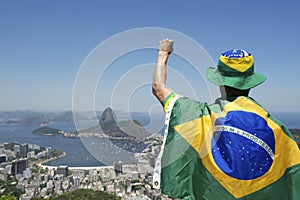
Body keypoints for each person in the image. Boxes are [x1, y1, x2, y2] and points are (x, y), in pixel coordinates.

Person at [152, 39, 300, 199]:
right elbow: (293, 177)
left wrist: (163, 54)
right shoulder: (278, 130)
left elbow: (158, 89)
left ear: (219, 81)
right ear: (250, 82)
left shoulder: (200, 117)